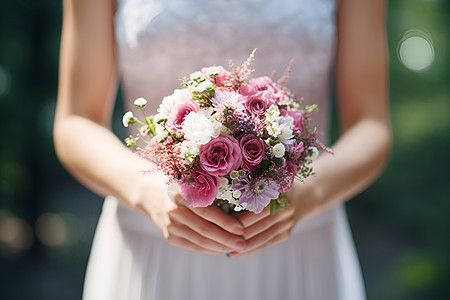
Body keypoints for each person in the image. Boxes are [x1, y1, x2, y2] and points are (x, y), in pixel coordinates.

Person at [54, 0, 390, 299]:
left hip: (297, 240)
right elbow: (75, 121)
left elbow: (372, 125)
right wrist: (148, 191)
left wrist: (307, 193)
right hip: (153, 240)